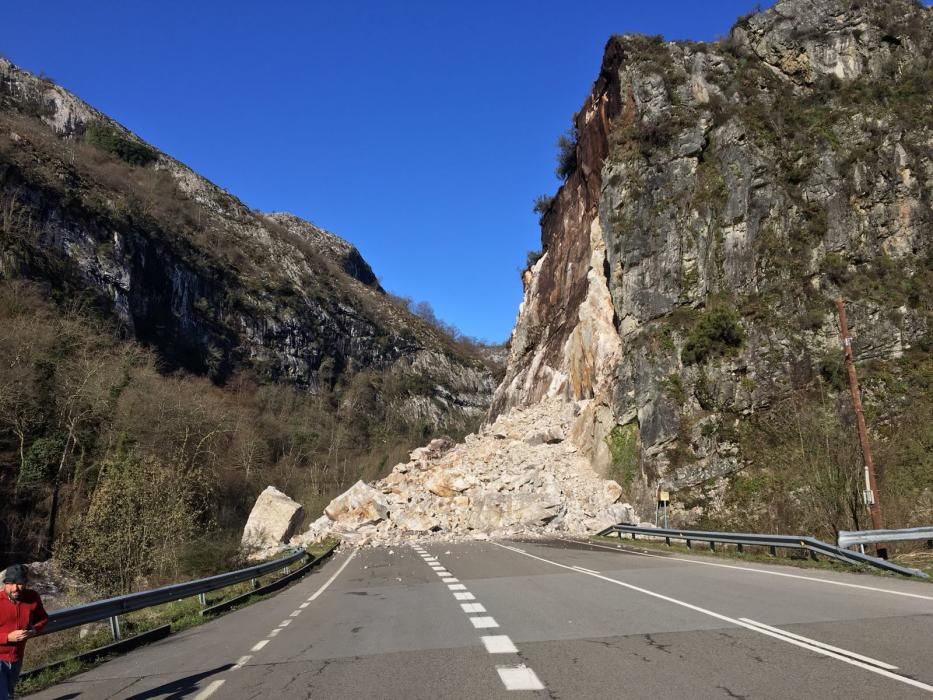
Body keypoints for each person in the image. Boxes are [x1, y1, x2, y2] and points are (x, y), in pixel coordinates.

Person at [0, 564, 48, 700]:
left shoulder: (32, 598)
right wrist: (7, 637)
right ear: (5, 584)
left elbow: (43, 618)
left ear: (25, 584)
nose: (15, 588)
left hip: (16, 657)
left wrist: (34, 630)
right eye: (11, 584)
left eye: (19, 583)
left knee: (9, 693)